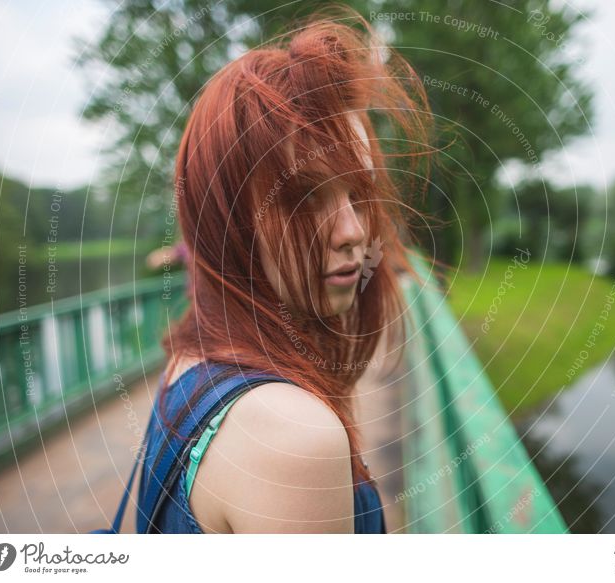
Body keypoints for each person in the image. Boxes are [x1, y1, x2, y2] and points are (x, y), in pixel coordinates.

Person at [138, 6, 433, 534]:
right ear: (226, 222)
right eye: (303, 198)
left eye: (356, 194)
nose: (353, 233)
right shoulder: (293, 437)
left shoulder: (190, 360)